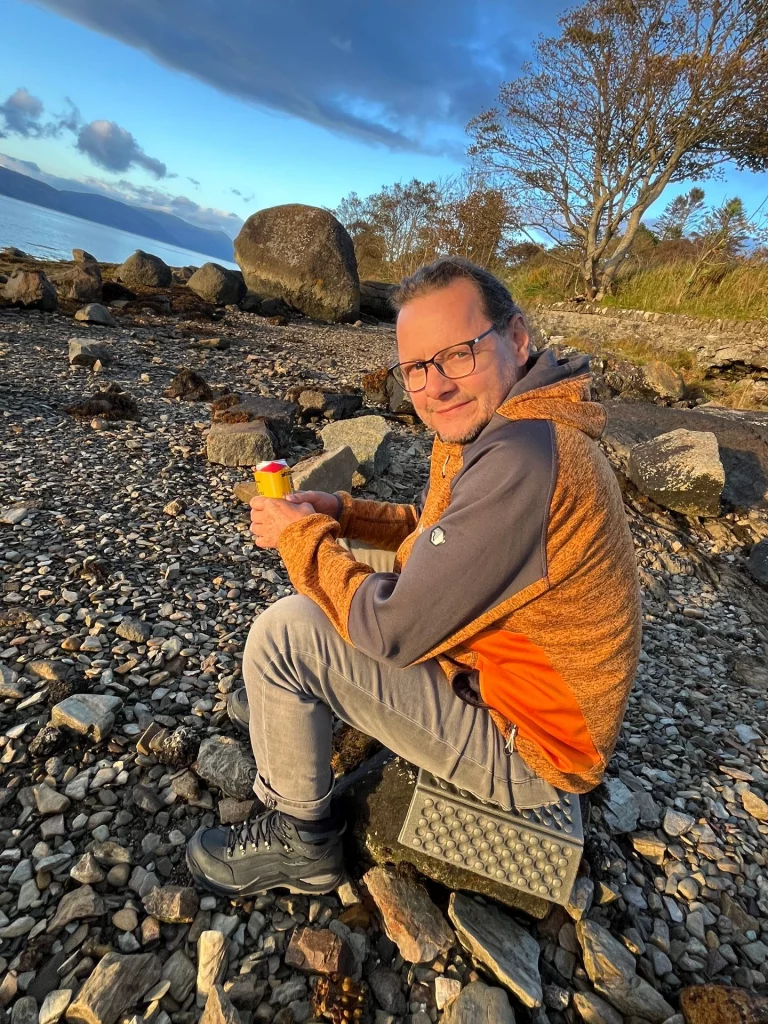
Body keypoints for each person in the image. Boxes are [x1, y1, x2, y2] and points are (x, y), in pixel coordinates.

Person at [186, 256, 642, 898]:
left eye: (459, 354)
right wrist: (342, 515)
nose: (437, 385)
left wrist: (298, 535)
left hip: (536, 749)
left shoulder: (524, 460)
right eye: (418, 368)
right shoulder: (513, 420)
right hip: (515, 677)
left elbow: (393, 631)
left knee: (286, 634)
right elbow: (440, 532)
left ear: (516, 338)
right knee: (344, 569)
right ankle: (291, 709)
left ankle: (301, 839)